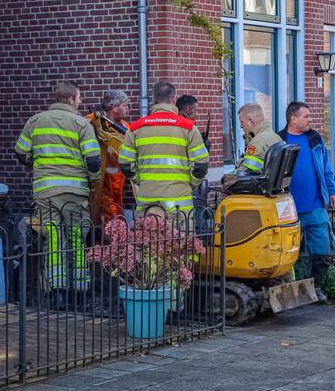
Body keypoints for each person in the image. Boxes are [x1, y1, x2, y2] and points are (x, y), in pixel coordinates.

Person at [15, 81, 101, 289]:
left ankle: (56, 287)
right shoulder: (81, 124)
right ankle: (79, 286)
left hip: (45, 191)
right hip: (75, 192)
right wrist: (93, 181)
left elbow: (21, 151)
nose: (80, 102)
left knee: (53, 236)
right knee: (76, 237)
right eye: (79, 98)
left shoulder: (35, 121)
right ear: (71, 99)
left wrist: (38, 167)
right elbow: (92, 160)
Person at [119, 82, 209, 223]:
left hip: (148, 198)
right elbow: (201, 164)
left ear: (153, 99)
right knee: (181, 237)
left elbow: (125, 164)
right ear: (174, 98)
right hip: (179, 200)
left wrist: (141, 180)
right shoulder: (188, 127)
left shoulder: (135, 128)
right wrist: (190, 184)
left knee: (148, 237)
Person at [277, 101, 335, 301]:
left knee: (321, 250)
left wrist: (332, 190)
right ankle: (292, 290)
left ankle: (316, 288)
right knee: (288, 252)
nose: (310, 120)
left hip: (315, 206)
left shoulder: (314, 139)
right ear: (293, 119)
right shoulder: (279, 140)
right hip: (288, 209)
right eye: (306, 116)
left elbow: (326, 167)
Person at [87, 90, 133, 224]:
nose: (127, 109)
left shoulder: (125, 126)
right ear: (114, 107)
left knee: (116, 214)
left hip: (119, 182)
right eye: (125, 105)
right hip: (100, 180)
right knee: (104, 216)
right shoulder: (93, 122)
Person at [222, 103, 283, 187]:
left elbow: (246, 171)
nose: (240, 126)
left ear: (251, 121)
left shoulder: (258, 141)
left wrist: (226, 179)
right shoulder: (275, 137)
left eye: (242, 122)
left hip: (258, 190)